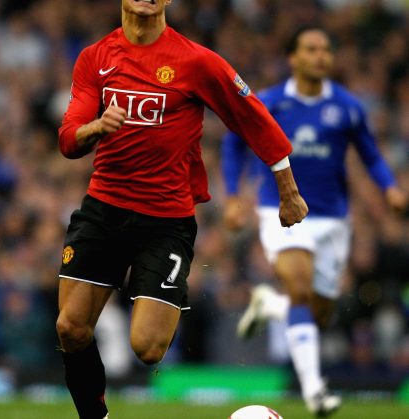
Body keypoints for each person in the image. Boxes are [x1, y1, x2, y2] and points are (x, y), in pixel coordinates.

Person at [55, 1, 308, 418]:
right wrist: (96, 127)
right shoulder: (95, 58)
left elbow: (252, 116)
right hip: (103, 209)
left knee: (148, 348)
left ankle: (166, 293)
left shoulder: (196, 61)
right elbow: (68, 140)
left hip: (165, 220)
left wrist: (288, 188)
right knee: (70, 327)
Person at [222, 26, 408, 417]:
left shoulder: (348, 106)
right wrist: (234, 195)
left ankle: (270, 304)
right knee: (299, 284)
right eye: (310, 49)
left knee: (317, 311)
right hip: (281, 209)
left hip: (333, 219)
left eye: (325, 49)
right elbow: (234, 142)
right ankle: (314, 391)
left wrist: (390, 188)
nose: (320, 56)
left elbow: (370, 154)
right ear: (293, 57)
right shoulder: (269, 102)